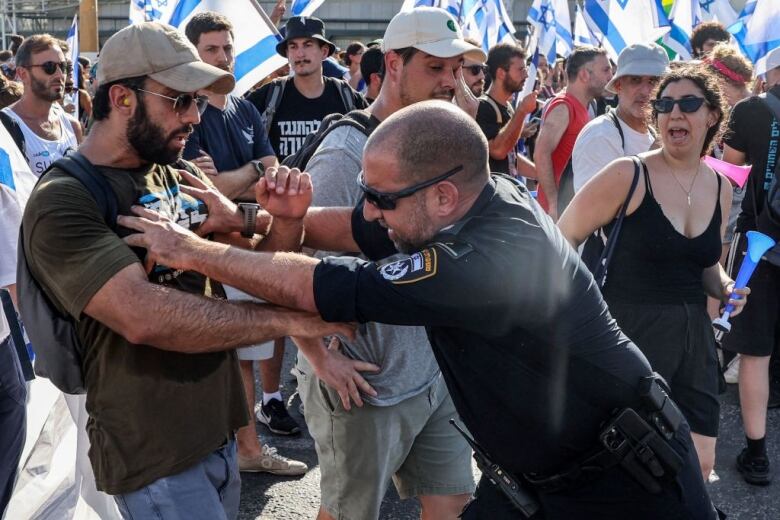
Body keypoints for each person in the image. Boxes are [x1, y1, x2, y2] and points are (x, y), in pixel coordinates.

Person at [124, 99, 722, 520]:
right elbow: (351, 232)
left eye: (382, 198)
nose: (371, 209)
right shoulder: (457, 206)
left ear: (441, 195)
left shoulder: (480, 261)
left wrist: (191, 249)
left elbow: (318, 286)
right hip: (544, 479)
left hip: (628, 485)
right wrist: (248, 218)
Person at [20, 22, 349, 519]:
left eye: (197, 101)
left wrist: (287, 219)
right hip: (154, 452)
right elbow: (145, 317)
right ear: (122, 98)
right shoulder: (63, 199)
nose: (195, 116)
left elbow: (257, 264)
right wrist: (289, 321)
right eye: (179, 100)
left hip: (216, 432)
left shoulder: (179, 173)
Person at [292, 7, 485, 519]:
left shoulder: (441, 142)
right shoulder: (348, 150)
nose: (450, 81)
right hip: (366, 384)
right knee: (349, 513)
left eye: (456, 68)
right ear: (394, 64)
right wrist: (317, 357)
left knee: (454, 504)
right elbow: (290, 255)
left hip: (433, 371)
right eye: (435, 67)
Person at [559, 65, 747, 482]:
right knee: (627, 466)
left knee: (699, 463)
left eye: (688, 104)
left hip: (693, 341)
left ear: (712, 116)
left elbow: (705, 265)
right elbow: (562, 239)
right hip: (628, 335)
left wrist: (727, 286)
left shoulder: (720, 186)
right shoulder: (628, 174)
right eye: (664, 105)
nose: (674, 113)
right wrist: (577, 313)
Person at [182, 11, 306, 473]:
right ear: (194, 53)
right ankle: (245, 452)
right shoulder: (187, 111)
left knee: (251, 352)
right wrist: (253, 174)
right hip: (216, 254)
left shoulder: (246, 108)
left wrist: (244, 178)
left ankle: (244, 450)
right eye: (212, 49)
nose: (224, 57)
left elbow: (268, 176)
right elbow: (204, 194)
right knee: (233, 356)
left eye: (227, 48)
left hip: (253, 245)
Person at [720, 46, 780, 486]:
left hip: (761, 243)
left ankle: (757, 455)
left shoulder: (751, 110)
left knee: (755, 353)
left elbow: (727, 171)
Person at [246, 16, 367, 161]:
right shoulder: (269, 96)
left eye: (307, 45)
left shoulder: (347, 97)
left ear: (324, 52)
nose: (300, 54)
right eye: (293, 46)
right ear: (287, 53)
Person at [572, 43, 668, 191]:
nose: (646, 91)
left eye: (654, 81)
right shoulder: (600, 135)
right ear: (618, 86)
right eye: (636, 80)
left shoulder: (655, 134)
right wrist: (653, 158)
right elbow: (597, 208)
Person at [534, 46, 612, 220]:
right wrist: (554, 203)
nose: (610, 77)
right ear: (584, 74)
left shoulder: (583, 106)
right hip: (558, 214)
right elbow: (541, 153)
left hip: (572, 209)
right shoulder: (563, 107)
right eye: (605, 70)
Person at [2, 34, 82, 175]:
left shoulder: (72, 126)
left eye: (63, 67)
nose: (59, 75)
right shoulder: (4, 129)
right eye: (49, 67)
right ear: (23, 74)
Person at [475, 43, 537, 177]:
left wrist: (541, 175)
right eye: (521, 70)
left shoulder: (507, 107)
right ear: (501, 73)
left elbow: (511, 156)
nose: (526, 75)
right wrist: (522, 112)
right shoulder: (483, 107)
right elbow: (498, 151)